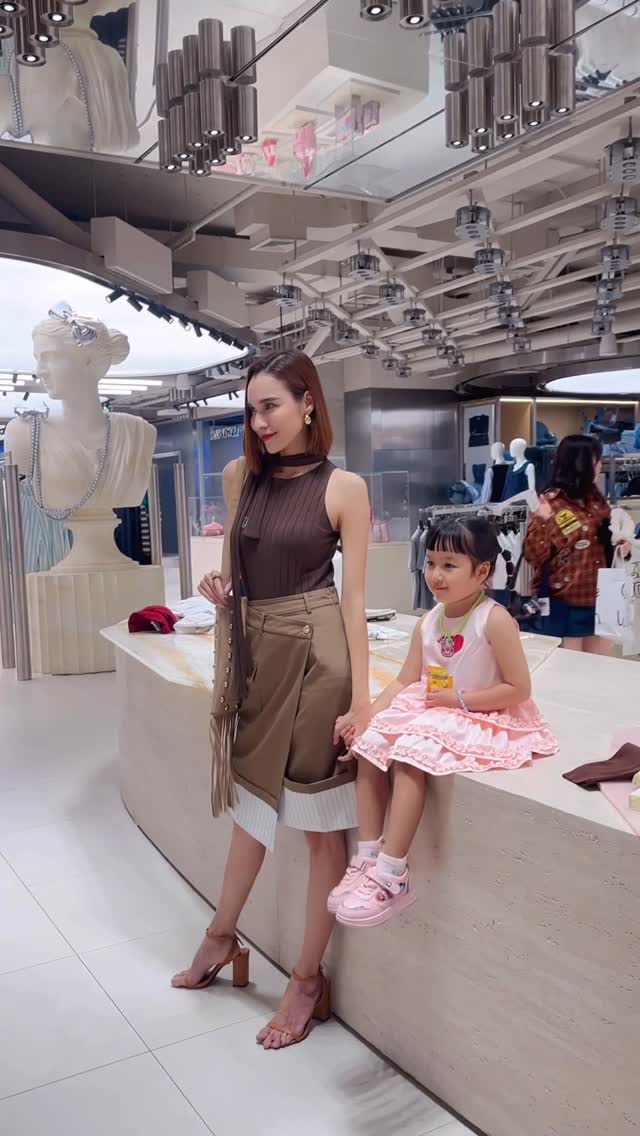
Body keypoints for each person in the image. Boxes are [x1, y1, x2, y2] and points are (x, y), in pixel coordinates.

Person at [172, 351, 371, 1050]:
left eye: (271, 406)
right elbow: (242, 567)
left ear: (308, 402)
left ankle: (307, 979)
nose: (259, 422)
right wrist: (224, 592)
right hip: (258, 651)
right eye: (251, 410)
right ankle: (221, 935)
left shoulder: (344, 487)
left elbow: (354, 601)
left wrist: (364, 699)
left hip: (319, 657)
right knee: (251, 810)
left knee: (320, 827)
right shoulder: (241, 477)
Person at [330, 517, 558, 928]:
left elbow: (519, 689)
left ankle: (392, 871)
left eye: (449, 565)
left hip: (478, 711)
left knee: (410, 755)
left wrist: (460, 699)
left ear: (482, 572)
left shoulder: (494, 619)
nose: (436, 574)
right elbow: (404, 680)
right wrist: (368, 715)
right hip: (435, 704)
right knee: (370, 745)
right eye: (431, 563)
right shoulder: (429, 620)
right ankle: (367, 857)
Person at [524, 435, 620, 654]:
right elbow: (534, 555)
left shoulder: (596, 499)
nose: (599, 466)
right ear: (580, 464)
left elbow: (601, 542)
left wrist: (619, 543)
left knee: (602, 666)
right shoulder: (552, 502)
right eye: (596, 461)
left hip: (603, 597)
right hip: (566, 600)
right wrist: (543, 522)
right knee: (570, 667)